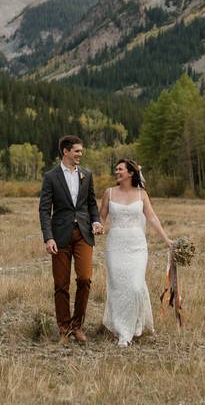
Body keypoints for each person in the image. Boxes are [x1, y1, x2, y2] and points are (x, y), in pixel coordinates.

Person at [99, 158, 173, 347]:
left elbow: (152, 218)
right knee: (117, 287)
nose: (117, 172)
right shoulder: (109, 193)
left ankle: (135, 323)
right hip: (115, 245)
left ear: (131, 173)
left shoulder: (142, 194)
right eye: (116, 169)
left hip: (137, 247)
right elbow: (101, 218)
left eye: (120, 169)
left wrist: (167, 240)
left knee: (135, 286)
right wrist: (96, 227)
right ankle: (123, 330)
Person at [38, 135, 103, 343]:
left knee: (84, 279)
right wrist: (48, 238)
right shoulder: (51, 176)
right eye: (77, 151)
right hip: (60, 236)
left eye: (81, 152)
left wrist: (96, 221)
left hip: (84, 233)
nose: (80, 155)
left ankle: (78, 325)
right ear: (65, 151)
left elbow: (91, 203)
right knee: (61, 284)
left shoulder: (87, 174)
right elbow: (44, 209)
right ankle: (64, 328)